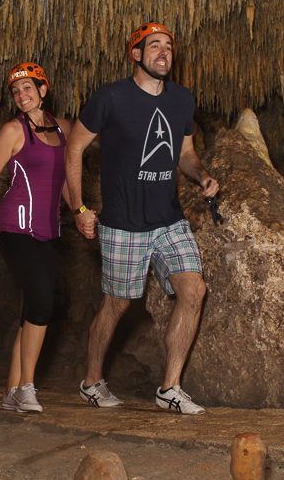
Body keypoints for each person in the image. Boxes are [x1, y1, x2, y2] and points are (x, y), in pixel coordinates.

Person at [65, 22, 219, 415]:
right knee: (117, 304)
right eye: (154, 46)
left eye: (168, 46)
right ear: (136, 54)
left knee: (194, 290)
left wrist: (201, 175)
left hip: (168, 218)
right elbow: (75, 147)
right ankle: (92, 381)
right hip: (123, 222)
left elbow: (184, 152)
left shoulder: (182, 99)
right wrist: (79, 207)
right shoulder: (112, 97)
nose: (163, 52)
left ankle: (170, 387)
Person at [0, 62, 71, 413]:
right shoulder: (13, 130)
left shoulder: (63, 129)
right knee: (41, 302)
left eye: (27, 89)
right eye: (15, 91)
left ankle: (10, 390)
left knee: (33, 309)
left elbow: (66, 182)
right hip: (16, 227)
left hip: (50, 230)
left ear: (43, 90)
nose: (21, 96)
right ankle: (26, 387)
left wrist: (81, 211)